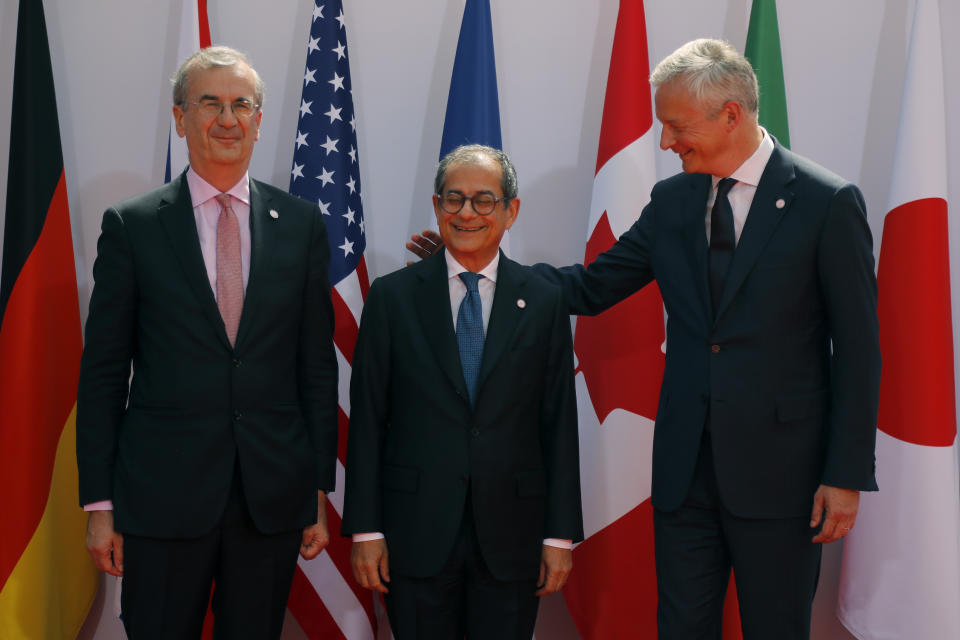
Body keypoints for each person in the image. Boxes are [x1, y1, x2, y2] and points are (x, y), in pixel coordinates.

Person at [407, 40, 881, 639]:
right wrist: (484, 268)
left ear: (731, 115)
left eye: (677, 126)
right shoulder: (674, 200)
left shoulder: (826, 202)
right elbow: (595, 285)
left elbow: (860, 349)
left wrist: (845, 474)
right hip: (686, 472)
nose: (665, 142)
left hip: (783, 475)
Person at [76, 46, 338, 640]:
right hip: (161, 499)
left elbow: (315, 369)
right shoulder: (133, 225)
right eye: (210, 104)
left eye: (241, 105)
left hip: (268, 497)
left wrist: (316, 491)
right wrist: (100, 506)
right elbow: (104, 374)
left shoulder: (300, 223)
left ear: (258, 119)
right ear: (180, 117)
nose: (227, 119)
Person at [343, 144, 583, 639]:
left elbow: (558, 422)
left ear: (510, 210)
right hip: (414, 533)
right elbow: (367, 419)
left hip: (513, 534)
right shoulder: (392, 298)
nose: (466, 213)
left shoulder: (543, 301)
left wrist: (559, 533)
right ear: (436, 207)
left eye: (483, 200)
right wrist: (366, 529)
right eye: (454, 200)